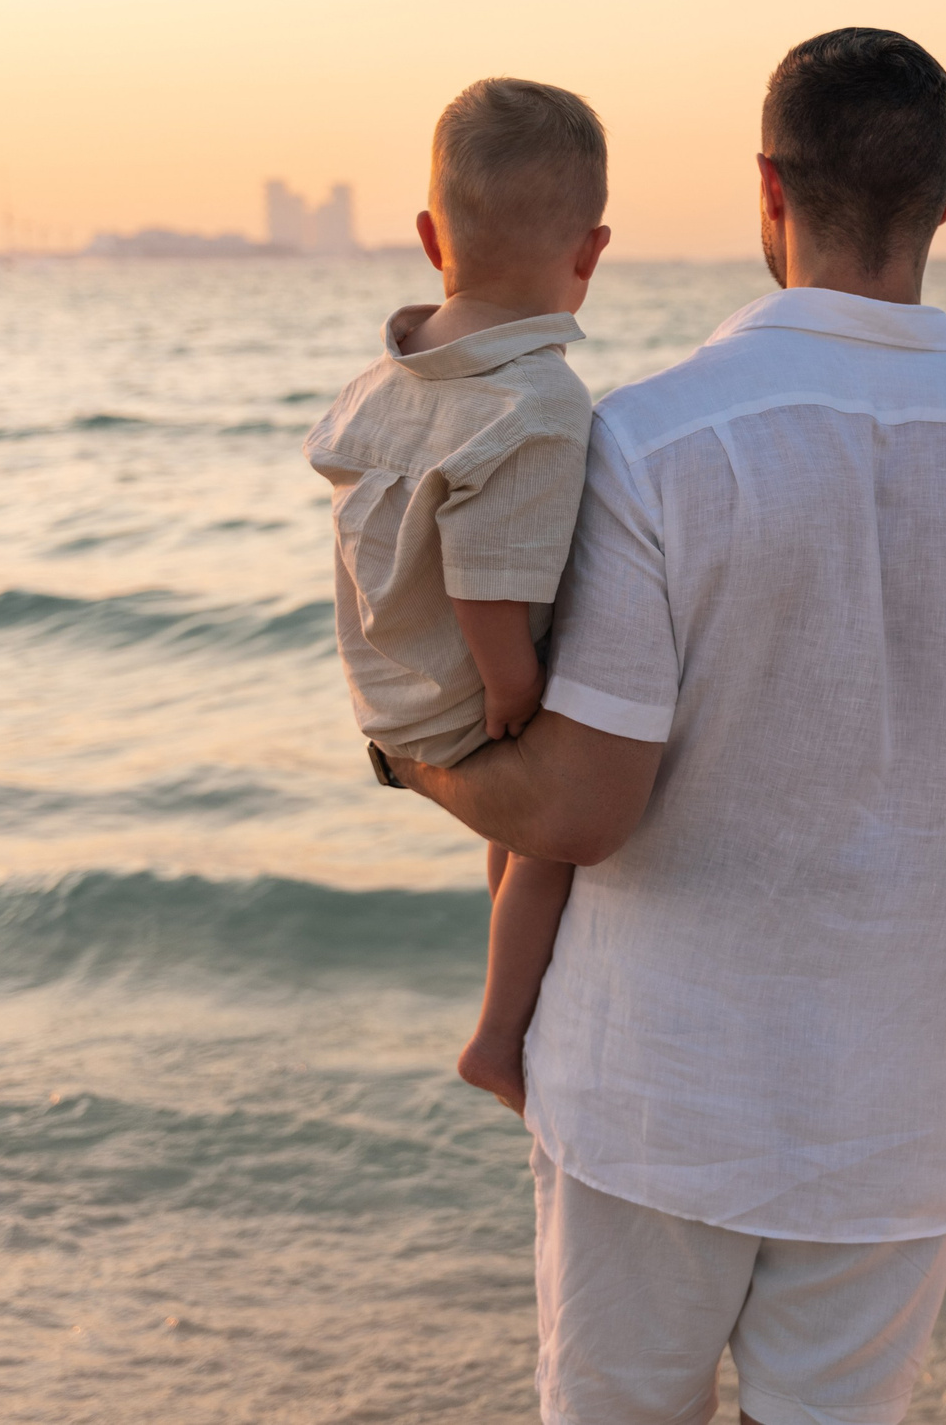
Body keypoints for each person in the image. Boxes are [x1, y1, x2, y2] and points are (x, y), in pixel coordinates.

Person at [383, 28, 946, 1425]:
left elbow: (583, 804)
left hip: (654, 1085)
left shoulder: (650, 440)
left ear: (766, 190)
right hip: (905, 1106)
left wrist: (419, 754)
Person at [306, 76, 610, 1114]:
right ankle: (498, 1035)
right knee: (551, 837)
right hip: (465, 691)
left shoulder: (379, 383)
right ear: (591, 253)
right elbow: (490, 589)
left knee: (514, 842)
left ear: (433, 235)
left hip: (391, 686)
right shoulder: (536, 402)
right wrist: (514, 694)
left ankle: (505, 991)